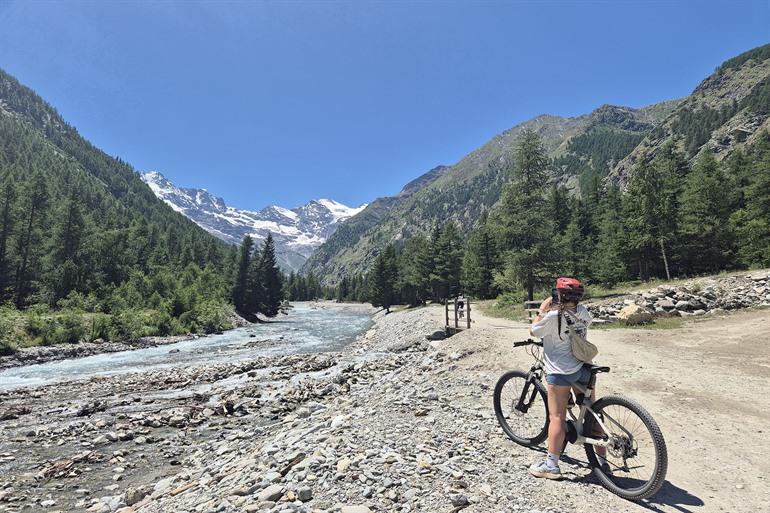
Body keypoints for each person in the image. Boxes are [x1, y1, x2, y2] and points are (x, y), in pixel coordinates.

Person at [527, 276, 601, 479]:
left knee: (557, 417)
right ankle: (602, 461)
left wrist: (542, 310)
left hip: (560, 371)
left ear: (559, 295)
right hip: (583, 366)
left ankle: (551, 465)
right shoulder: (583, 312)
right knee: (592, 412)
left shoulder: (553, 317)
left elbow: (533, 331)